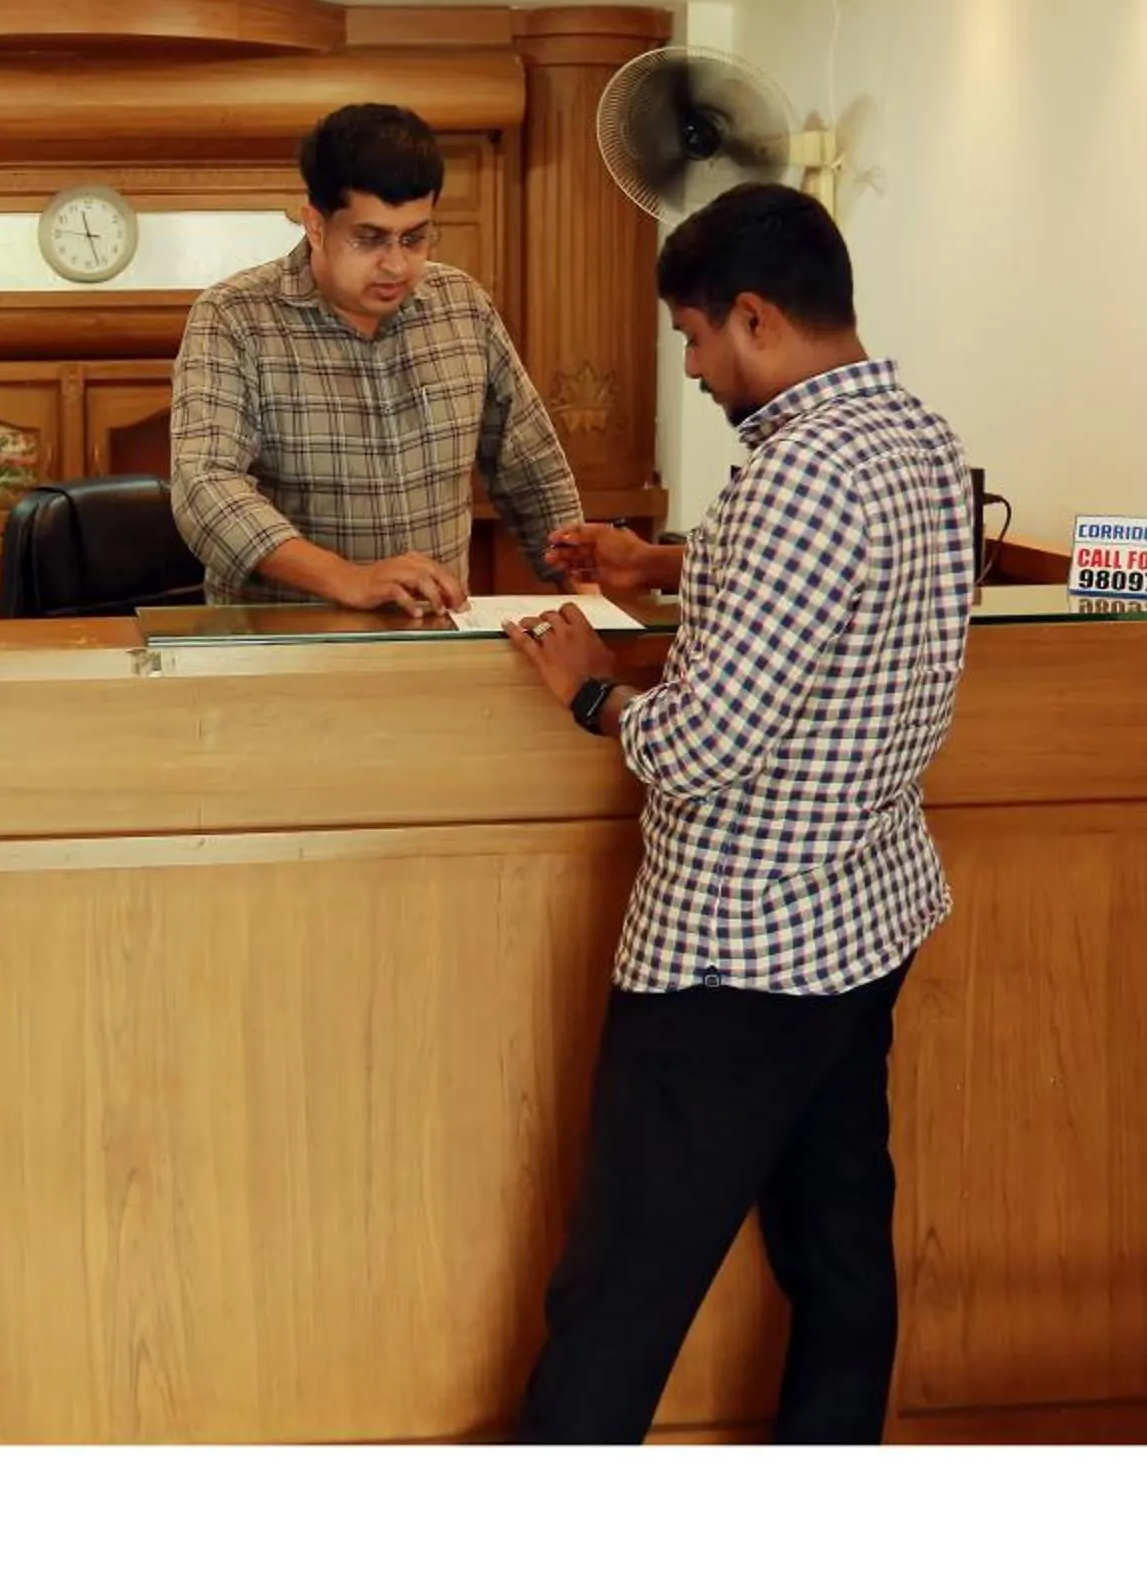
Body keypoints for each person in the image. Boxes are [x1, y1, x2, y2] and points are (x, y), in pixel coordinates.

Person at [498, 179, 975, 1444]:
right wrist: (663, 564)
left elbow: (699, 743)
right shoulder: (915, 437)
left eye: (697, 338)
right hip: (862, 925)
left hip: (733, 959)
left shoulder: (792, 480)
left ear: (755, 317)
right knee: (839, 1260)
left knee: (621, 1291)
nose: (698, 369)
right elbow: (832, 583)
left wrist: (592, 691)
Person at [169, 102, 583, 614]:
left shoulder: (462, 305)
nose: (396, 264)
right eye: (369, 239)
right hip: (284, 644)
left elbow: (529, 463)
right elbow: (205, 485)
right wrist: (348, 579)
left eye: (414, 237)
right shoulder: (234, 317)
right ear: (315, 226)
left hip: (436, 635)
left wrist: (591, 599)